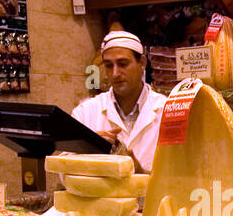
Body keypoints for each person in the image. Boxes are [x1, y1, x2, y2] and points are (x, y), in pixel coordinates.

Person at [70, 29, 167, 173]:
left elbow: (179, 177)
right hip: (100, 196)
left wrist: (137, 171)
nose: (115, 73)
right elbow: (63, 172)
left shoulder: (167, 111)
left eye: (123, 64)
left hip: (151, 196)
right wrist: (90, 153)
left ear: (142, 63)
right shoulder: (85, 112)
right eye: (109, 66)